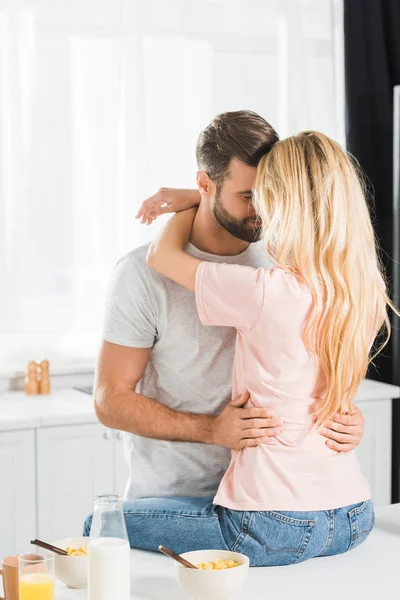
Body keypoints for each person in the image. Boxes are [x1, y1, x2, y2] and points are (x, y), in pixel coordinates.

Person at [84, 113, 365, 551]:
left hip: (273, 508)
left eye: (272, 195)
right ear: (205, 183)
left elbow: (308, 373)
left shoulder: (282, 262)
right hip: (177, 501)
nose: (263, 210)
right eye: (249, 195)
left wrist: (347, 416)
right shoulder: (140, 275)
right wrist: (211, 430)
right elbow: (110, 401)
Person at [140, 130, 397, 566]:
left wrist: (193, 201)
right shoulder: (364, 291)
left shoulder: (265, 291)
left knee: (100, 522)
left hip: (271, 522)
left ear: (281, 204)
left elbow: (160, 257)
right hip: (352, 514)